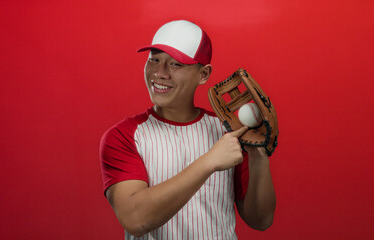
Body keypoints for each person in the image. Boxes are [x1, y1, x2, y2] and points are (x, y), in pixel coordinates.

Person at [100, 20, 276, 240]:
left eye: (176, 64)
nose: (160, 73)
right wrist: (209, 161)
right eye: (154, 60)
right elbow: (136, 219)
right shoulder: (123, 136)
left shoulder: (229, 131)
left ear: (203, 74)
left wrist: (258, 157)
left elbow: (261, 220)